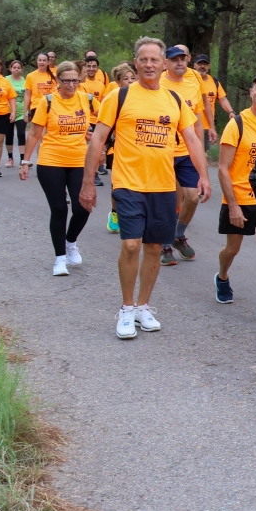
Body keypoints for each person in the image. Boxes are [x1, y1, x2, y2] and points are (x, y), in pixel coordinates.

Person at [79, 36, 209, 340]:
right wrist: (88, 183)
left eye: (154, 60)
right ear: (135, 63)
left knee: (153, 248)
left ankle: (143, 306)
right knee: (131, 245)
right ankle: (126, 308)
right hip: (128, 183)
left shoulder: (174, 100)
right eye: (143, 59)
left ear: (163, 64)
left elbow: (191, 139)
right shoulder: (118, 97)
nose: (149, 64)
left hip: (163, 185)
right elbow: (98, 140)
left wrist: (203, 175)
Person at [215, 73, 256, 326]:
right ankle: (222, 277)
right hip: (239, 198)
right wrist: (232, 204)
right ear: (251, 92)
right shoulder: (238, 124)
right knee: (233, 249)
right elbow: (223, 168)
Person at [19, 61, 97, 276]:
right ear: (57, 81)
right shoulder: (48, 102)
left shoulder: (88, 100)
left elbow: (104, 124)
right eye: (66, 81)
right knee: (60, 209)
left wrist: (96, 137)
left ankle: (71, 241)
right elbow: (35, 134)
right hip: (51, 161)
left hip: (79, 161)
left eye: (75, 80)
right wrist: (25, 162)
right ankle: (60, 259)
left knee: (83, 206)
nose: (71, 85)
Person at [158, 45, 210, 265]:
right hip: (163, 151)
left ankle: (178, 235)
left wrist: (200, 152)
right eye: (174, 60)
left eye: (182, 59)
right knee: (169, 199)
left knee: (191, 196)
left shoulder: (192, 85)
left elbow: (197, 122)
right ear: (165, 63)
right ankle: (164, 244)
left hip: (187, 151)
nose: (179, 63)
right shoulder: (158, 84)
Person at [104, 63, 138, 234]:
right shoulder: (114, 98)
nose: (130, 81)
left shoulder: (143, 99)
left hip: (138, 150)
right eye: (126, 79)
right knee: (117, 183)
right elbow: (104, 129)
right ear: (118, 82)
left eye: (133, 78)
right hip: (116, 148)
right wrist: (103, 151)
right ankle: (115, 213)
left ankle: (133, 213)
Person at [193, 54, 235, 146]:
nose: (202, 66)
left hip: (208, 127)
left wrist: (231, 111)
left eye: (205, 64)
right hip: (190, 126)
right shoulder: (188, 81)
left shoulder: (214, 82)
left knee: (203, 156)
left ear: (209, 66)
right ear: (194, 65)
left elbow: (222, 99)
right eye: (200, 64)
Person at [4, 60, 27, 167]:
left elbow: (28, 95)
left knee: (21, 133)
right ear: (10, 69)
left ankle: (22, 159)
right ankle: (10, 158)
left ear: (21, 69)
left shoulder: (24, 80)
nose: (16, 69)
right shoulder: (5, 80)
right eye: (14, 67)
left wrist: (28, 110)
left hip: (21, 112)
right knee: (9, 134)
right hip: (8, 111)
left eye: (18, 67)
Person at [23, 52, 56, 122]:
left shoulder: (54, 76)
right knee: (38, 131)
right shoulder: (30, 76)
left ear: (48, 62)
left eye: (44, 60)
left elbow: (57, 93)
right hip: (36, 106)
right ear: (37, 61)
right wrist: (25, 111)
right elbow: (27, 95)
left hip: (51, 107)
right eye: (40, 60)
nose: (42, 62)